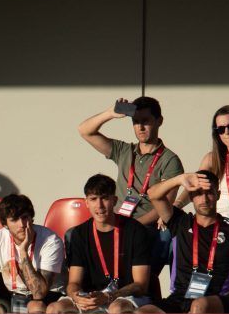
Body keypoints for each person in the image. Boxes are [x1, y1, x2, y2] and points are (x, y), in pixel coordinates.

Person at [48, 175, 159, 314]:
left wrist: (110, 296)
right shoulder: (78, 234)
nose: (99, 205)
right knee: (54, 309)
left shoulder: (136, 231)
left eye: (104, 198)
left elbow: (141, 285)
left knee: (117, 308)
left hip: (125, 297)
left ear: (114, 201)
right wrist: (76, 296)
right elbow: (74, 283)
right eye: (93, 199)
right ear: (86, 202)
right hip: (91, 297)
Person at [150, 170, 229, 314]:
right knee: (143, 313)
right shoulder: (181, 222)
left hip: (216, 299)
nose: (204, 199)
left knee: (198, 306)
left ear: (218, 195)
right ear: (191, 197)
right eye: (198, 193)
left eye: (209, 193)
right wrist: (180, 179)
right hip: (180, 298)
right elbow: (153, 194)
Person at [77, 96, 183, 227]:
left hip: (145, 228)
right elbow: (85, 131)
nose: (140, 127)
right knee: (73, 234)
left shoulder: (170, 160)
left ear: (159, 121)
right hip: (115, 223)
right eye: (136, 121)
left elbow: (163, 207)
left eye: (145, 121)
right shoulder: (124, 150)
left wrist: (131, 227)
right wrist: (110, 113)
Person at [0, 194, 64, 314]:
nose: (22, 224)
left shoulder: (50, 240)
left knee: (35, 306)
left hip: (47, 296)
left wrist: (23, 251)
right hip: (12, 295)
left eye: (25, 217)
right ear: (5, 224)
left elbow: (39, 293)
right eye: (14, 220)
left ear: (31, 218)